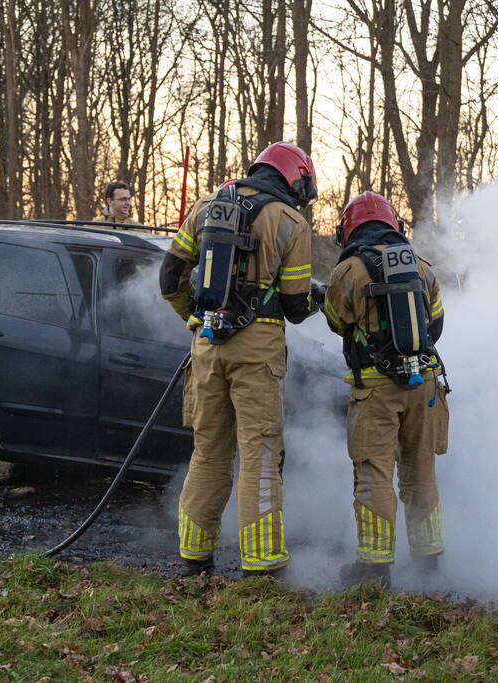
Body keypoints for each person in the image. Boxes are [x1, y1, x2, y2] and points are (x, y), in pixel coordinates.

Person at [159, 142, 322, 578]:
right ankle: (262, 562)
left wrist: (195, 317)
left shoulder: (204, 207)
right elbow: (294, 305)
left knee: (208, 453)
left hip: (206, 349)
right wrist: (316, 300)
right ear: (294, 177)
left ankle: (194, 558)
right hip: (259, 350)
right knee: (260, 454)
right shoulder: (289, 221)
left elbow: (169, 276)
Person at [323, 191, 450, 588]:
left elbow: (334, 321)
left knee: (374, 471)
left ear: (351, 229)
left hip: (376, 386)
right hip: (424, 381)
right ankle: (429, 561)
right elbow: (437, 326)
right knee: (420, 471)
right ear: (394, 224)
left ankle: (374, 569)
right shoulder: (423, 267)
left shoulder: (350, 271)